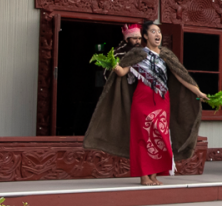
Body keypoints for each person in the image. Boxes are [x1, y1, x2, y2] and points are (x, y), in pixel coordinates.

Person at [83, 22, 205, 185]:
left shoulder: (166, 55)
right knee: (143, 137)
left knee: (160, 137)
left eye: (159, 32)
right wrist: (113, 64)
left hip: (162, 101)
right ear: (145, 36)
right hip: (142, 100)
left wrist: (198, 91)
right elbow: (122, 71)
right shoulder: (137, 54)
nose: (158, 35)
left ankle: (154, 174)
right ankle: (144, 176)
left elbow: (181, 75)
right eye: (153, 31)